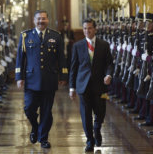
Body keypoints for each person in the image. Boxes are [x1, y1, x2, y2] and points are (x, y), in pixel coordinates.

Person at [15, 10, 68, 149]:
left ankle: (43, 138)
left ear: (48, 20)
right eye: (38, 19)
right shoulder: (26, 35)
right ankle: (35, 127)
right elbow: (20, 58)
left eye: (44, 19)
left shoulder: (56, 36)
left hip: (49, 80)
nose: (41, 21)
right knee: (29, 108)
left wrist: (63, 75)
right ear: (34, 20)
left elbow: (61, 58)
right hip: (31, 80)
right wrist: (19, 77)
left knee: (46, 111)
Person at [69, 18, 114, 152]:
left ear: (94, 29)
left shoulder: (104, 45)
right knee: (85, 115)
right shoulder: (77, 46)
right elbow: (73, 67)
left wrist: (109, 75)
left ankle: (97, 129)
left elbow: (110, 64)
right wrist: (72, 87)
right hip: (83, 86)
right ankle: (89, 140)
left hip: (100, 86)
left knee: (100, 112)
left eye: (89, 28)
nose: (87, 31)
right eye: (84, 28)